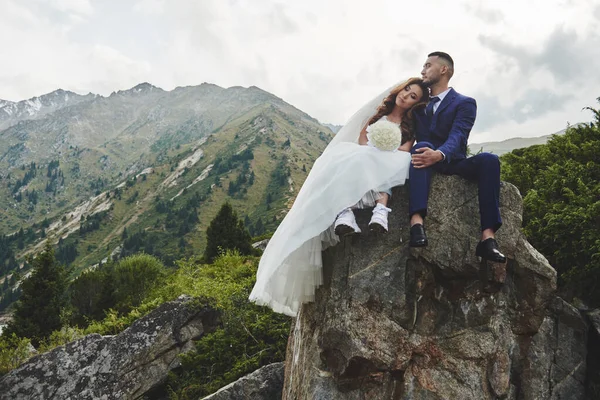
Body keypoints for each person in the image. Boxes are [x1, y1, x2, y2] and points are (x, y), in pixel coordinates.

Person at [249, 78, 428, 316]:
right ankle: (346, 212)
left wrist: (388, 150)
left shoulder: (409, 127)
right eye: (407, 89)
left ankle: (380, 211)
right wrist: (376, 148)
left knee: (396, 161)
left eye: (413, 96)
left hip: (391, 159)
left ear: (415, 104)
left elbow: (405, 150)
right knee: (350, 156)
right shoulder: (376, 117)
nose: (406, 95)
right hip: (367, 155)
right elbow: (363, 142)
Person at [408, 51, 506, 263]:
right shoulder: (417, 106)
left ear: (443, 70)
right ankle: (416, 224)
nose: (422, 70)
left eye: (427, 65)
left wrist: (441, 154)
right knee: (422, 146)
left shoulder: (464, 103)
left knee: (490, 160)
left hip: (453, 161)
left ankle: (487, 239)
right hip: (424, 161)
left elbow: (458, 135)